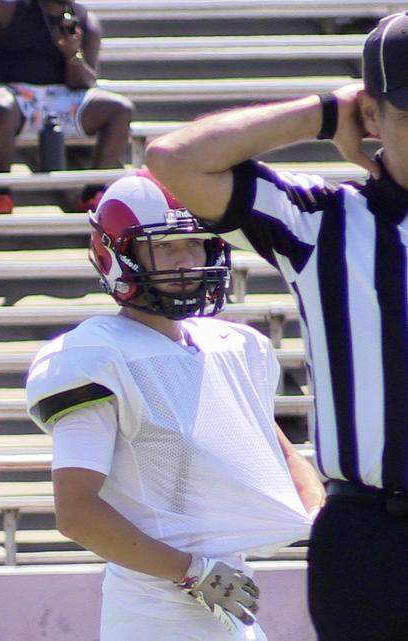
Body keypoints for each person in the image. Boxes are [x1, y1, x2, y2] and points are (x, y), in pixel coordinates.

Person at [144, 12, 408, 640]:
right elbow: (174, 160)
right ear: (371, 117)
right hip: (374, 538)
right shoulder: (325, 219)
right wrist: (323, 112)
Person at [25, 171, 323, 641]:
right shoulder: (95, 355)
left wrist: (320, 519)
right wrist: (191, 571)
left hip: (233, 598)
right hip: (153, 609)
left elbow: (279, 451)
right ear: (115, 256)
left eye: (197, 244)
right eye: (166, 248)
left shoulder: (233, 345)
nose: (188, 262)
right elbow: (77, 512)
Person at [0, 0, 134, 215]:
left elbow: (85, 82)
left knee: (120, 108)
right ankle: (2, 192)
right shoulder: (10, 6)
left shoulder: (84, 20)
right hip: (10, 92)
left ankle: (92, 194)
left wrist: (71, 54)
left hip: (60, 97)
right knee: (2, 106)